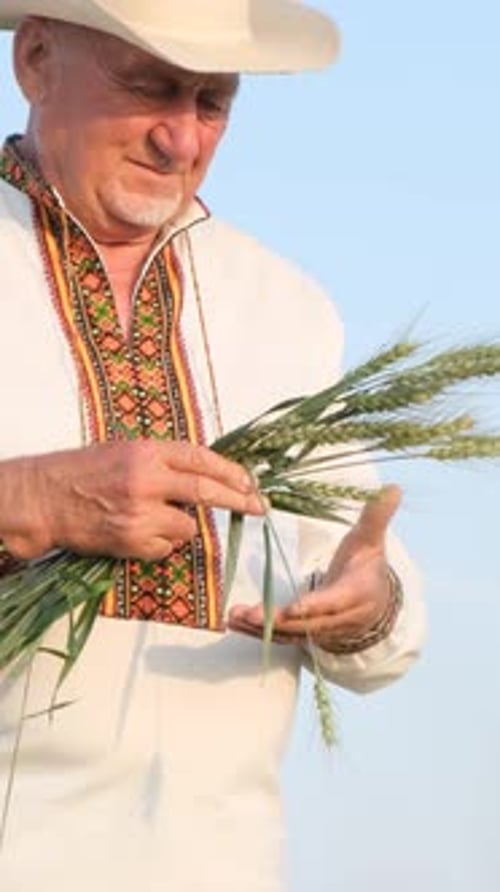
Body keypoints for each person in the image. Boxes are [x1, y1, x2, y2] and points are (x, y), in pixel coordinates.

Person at [0, 3, 426, 890]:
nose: (180, 139)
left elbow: (380, 619)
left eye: (213, 101)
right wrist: (28, 505)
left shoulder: (285, 307)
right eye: (149, 87)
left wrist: (367, 602)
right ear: (36, 59)